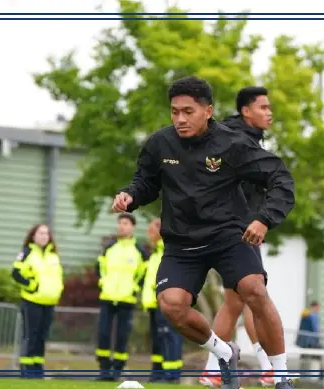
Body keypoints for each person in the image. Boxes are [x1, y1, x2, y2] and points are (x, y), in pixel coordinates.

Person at [112, 76, 296, 389]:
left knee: (253, 289)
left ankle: (280, 376)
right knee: (171, 305)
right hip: (182, 242)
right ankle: (224, 353)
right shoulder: (160, 144)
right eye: (174, 112)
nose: (180, 119)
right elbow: (145, 182)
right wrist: (130, 195)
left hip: (229, 236)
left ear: (208, 111)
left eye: (188, 111)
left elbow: (280, 178)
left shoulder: (232, 144)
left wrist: (264, 218)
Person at [199, 86, 276, 388]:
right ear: (246, 111)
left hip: (242, 227)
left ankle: (214, 369)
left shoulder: (250, 139)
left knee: (237, 300)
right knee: (256, 295)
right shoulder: (233, 138)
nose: (269, 113)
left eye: (270, 108)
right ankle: (268, 367)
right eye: (263, 107)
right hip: (235, 229)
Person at [94, 213, 148, 381]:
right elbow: (99, 268)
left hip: (127, 299)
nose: (121, 226)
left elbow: (143, 274)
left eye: (125, 223)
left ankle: (117, 370)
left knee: (122, 336)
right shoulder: (109, 247)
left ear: (132, 227)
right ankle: (104, 369)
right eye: (120, 223)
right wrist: (103, 283)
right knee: (103, 333)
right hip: (107, 297)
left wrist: (134, 288)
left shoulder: (139, 251)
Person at [11, 224, 64, 379]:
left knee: (42, 336)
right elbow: (15, 273)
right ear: (33, 236)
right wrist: (32, 286)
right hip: (32, 300)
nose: (44, 236)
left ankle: (37, 369)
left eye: (46, 234)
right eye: (40, 233)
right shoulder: (27, 253)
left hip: (49, 301)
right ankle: (26, 368)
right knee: (30, 334)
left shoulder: (53, 255)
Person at [142, 218, 184, 384]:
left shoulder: (168, 252)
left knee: (169, 335)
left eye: (151, 230)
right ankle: (157, 372)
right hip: (153, 303)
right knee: (158, 338)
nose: (148, 234)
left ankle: (172, 374)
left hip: (166, 302)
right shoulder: (155, 253)